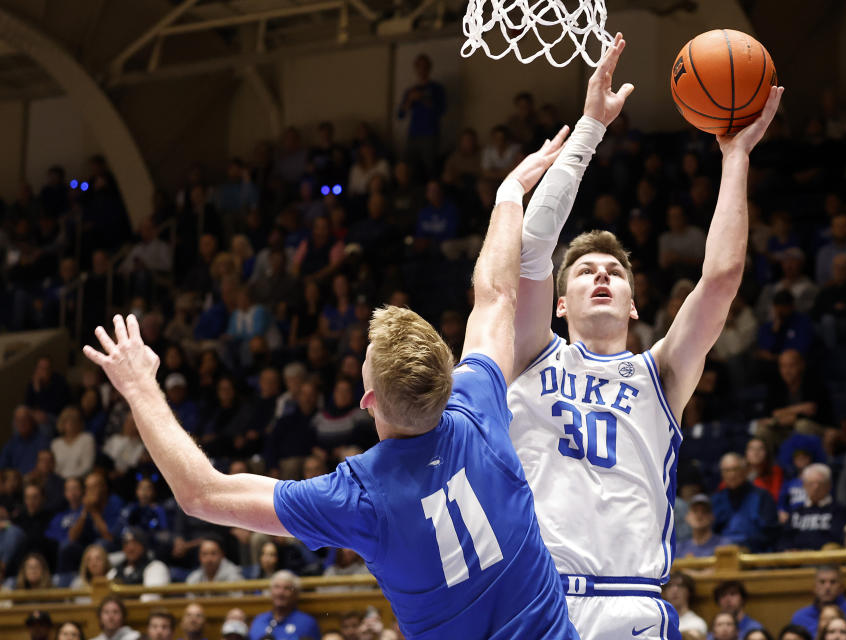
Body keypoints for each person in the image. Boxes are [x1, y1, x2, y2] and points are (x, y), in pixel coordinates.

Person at [83, 128, 578, 638]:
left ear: (368, 402)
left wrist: (139, 385)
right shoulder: (476, 404)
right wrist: (509, 194)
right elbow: (496, 294)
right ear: (446, 378)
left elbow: (201, 494)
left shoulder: (360, 497)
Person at [504, 28, 783, 636]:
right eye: (584, 272)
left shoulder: (661, 373)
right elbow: (531, 247)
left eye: (615, 273)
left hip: (631, 603)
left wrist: (735, 159)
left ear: (634, 305)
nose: (601, 277)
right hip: (537, 600)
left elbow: (721, 278)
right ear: (558, 303)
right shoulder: (526, 354)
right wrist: (589, 131)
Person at [712, 453, 780, 552]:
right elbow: (711, 532)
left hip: (756, 555)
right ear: (722, 474)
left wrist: (746, 546)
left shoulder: (763, 496)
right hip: (723, 554)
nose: (732, 474)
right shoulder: (716, 500)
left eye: (735, 469)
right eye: (727, 471)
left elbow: (771, 533)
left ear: (744, 471)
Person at [779, 463, 846, 551]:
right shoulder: (796, 511)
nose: (816, 487)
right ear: (804, 485)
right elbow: (784, 539)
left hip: (825, 560)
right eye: (811, 483)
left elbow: (838, 539)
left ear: (829, 485)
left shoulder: (839, 511)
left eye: (820, 483)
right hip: (796, 562)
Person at [249, 570, 320, 640]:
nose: (280, 593)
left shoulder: (307, 623)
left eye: (287, 588)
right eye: (277, 587)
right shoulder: (259, 621)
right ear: (270, 591)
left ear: (295, 594)